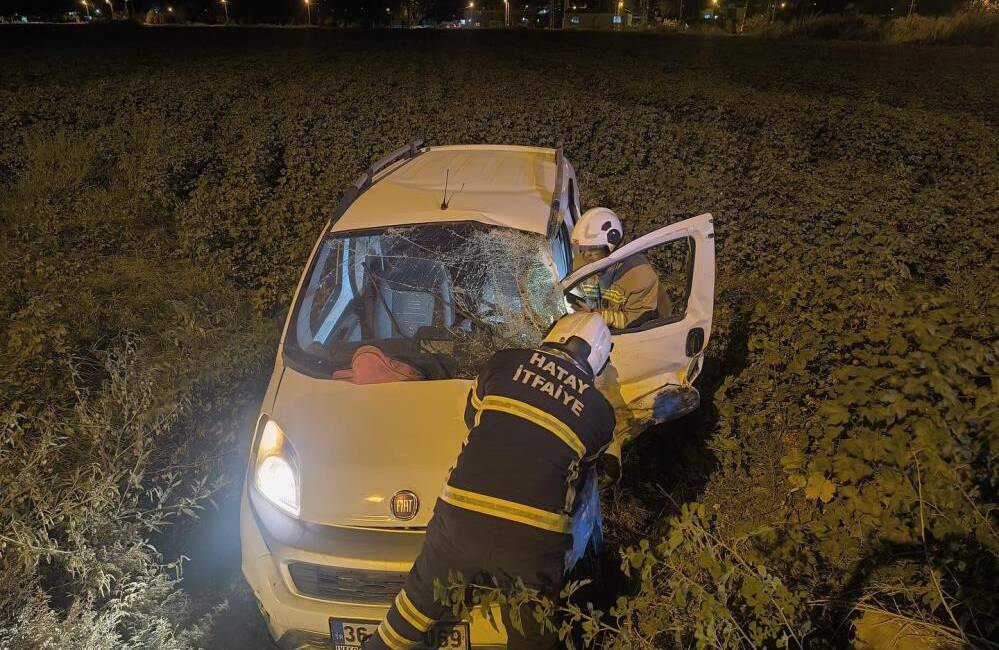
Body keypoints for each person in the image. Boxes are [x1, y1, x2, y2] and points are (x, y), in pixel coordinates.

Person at [364, 313, 616, 650]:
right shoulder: (600, 411)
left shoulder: (506, 361)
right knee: (532, 635)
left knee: (414, 607)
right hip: (532, 539)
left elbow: (473, 418)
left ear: (552, 336)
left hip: (462, 520)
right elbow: (582, 468)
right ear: (597, 363)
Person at [570, 207, 660, 330]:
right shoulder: (580, 264)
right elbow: (577, 296)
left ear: (611, 246)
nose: (586, 255)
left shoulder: (639, 275)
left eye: (593, 248)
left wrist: (595, 315)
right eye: (583, 248)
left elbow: (635, 321)